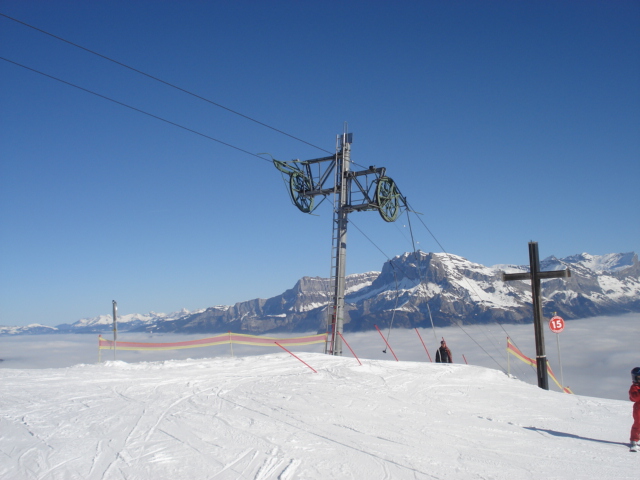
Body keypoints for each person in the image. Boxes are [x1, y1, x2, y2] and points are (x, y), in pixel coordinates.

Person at [629, 367, 640, 452]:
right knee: (638, 424)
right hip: (638, 408)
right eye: (638, 378)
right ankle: (634, 441)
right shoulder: (634, 387)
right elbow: (634, 398)